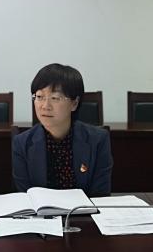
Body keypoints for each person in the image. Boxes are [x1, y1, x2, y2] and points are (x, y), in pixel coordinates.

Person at [12, 63, 113, 197]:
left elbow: (100, 195)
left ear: (74, 103)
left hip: (83, 210)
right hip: (41, 211)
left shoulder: (98, 140)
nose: (45, 106)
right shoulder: (22, 143)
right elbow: (25, 196)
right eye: (39, 97)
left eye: (55, 98)